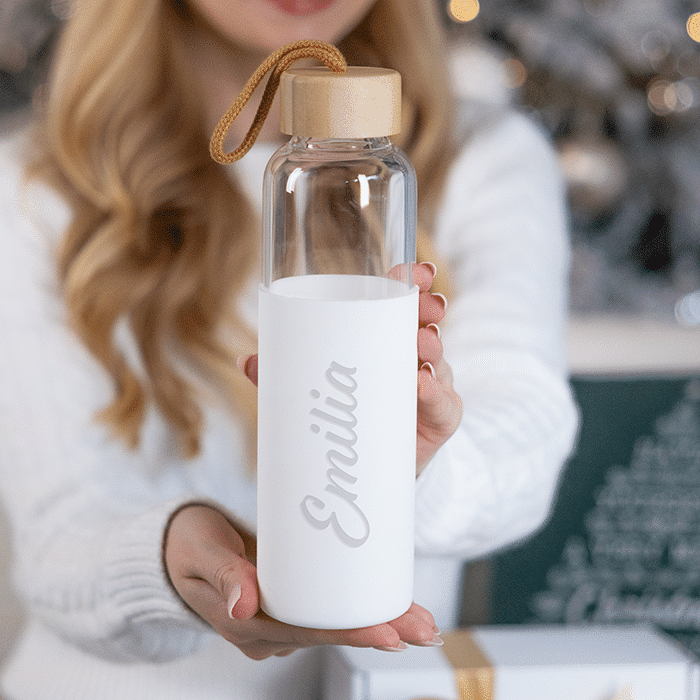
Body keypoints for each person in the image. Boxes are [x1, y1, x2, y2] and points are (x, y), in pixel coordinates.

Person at [0, 0, 579, 698]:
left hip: (376, 683)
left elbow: (525, 434)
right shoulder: (35, 185)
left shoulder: (480, 157)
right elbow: (58, 535)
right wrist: (169, 558)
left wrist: (411, 467)